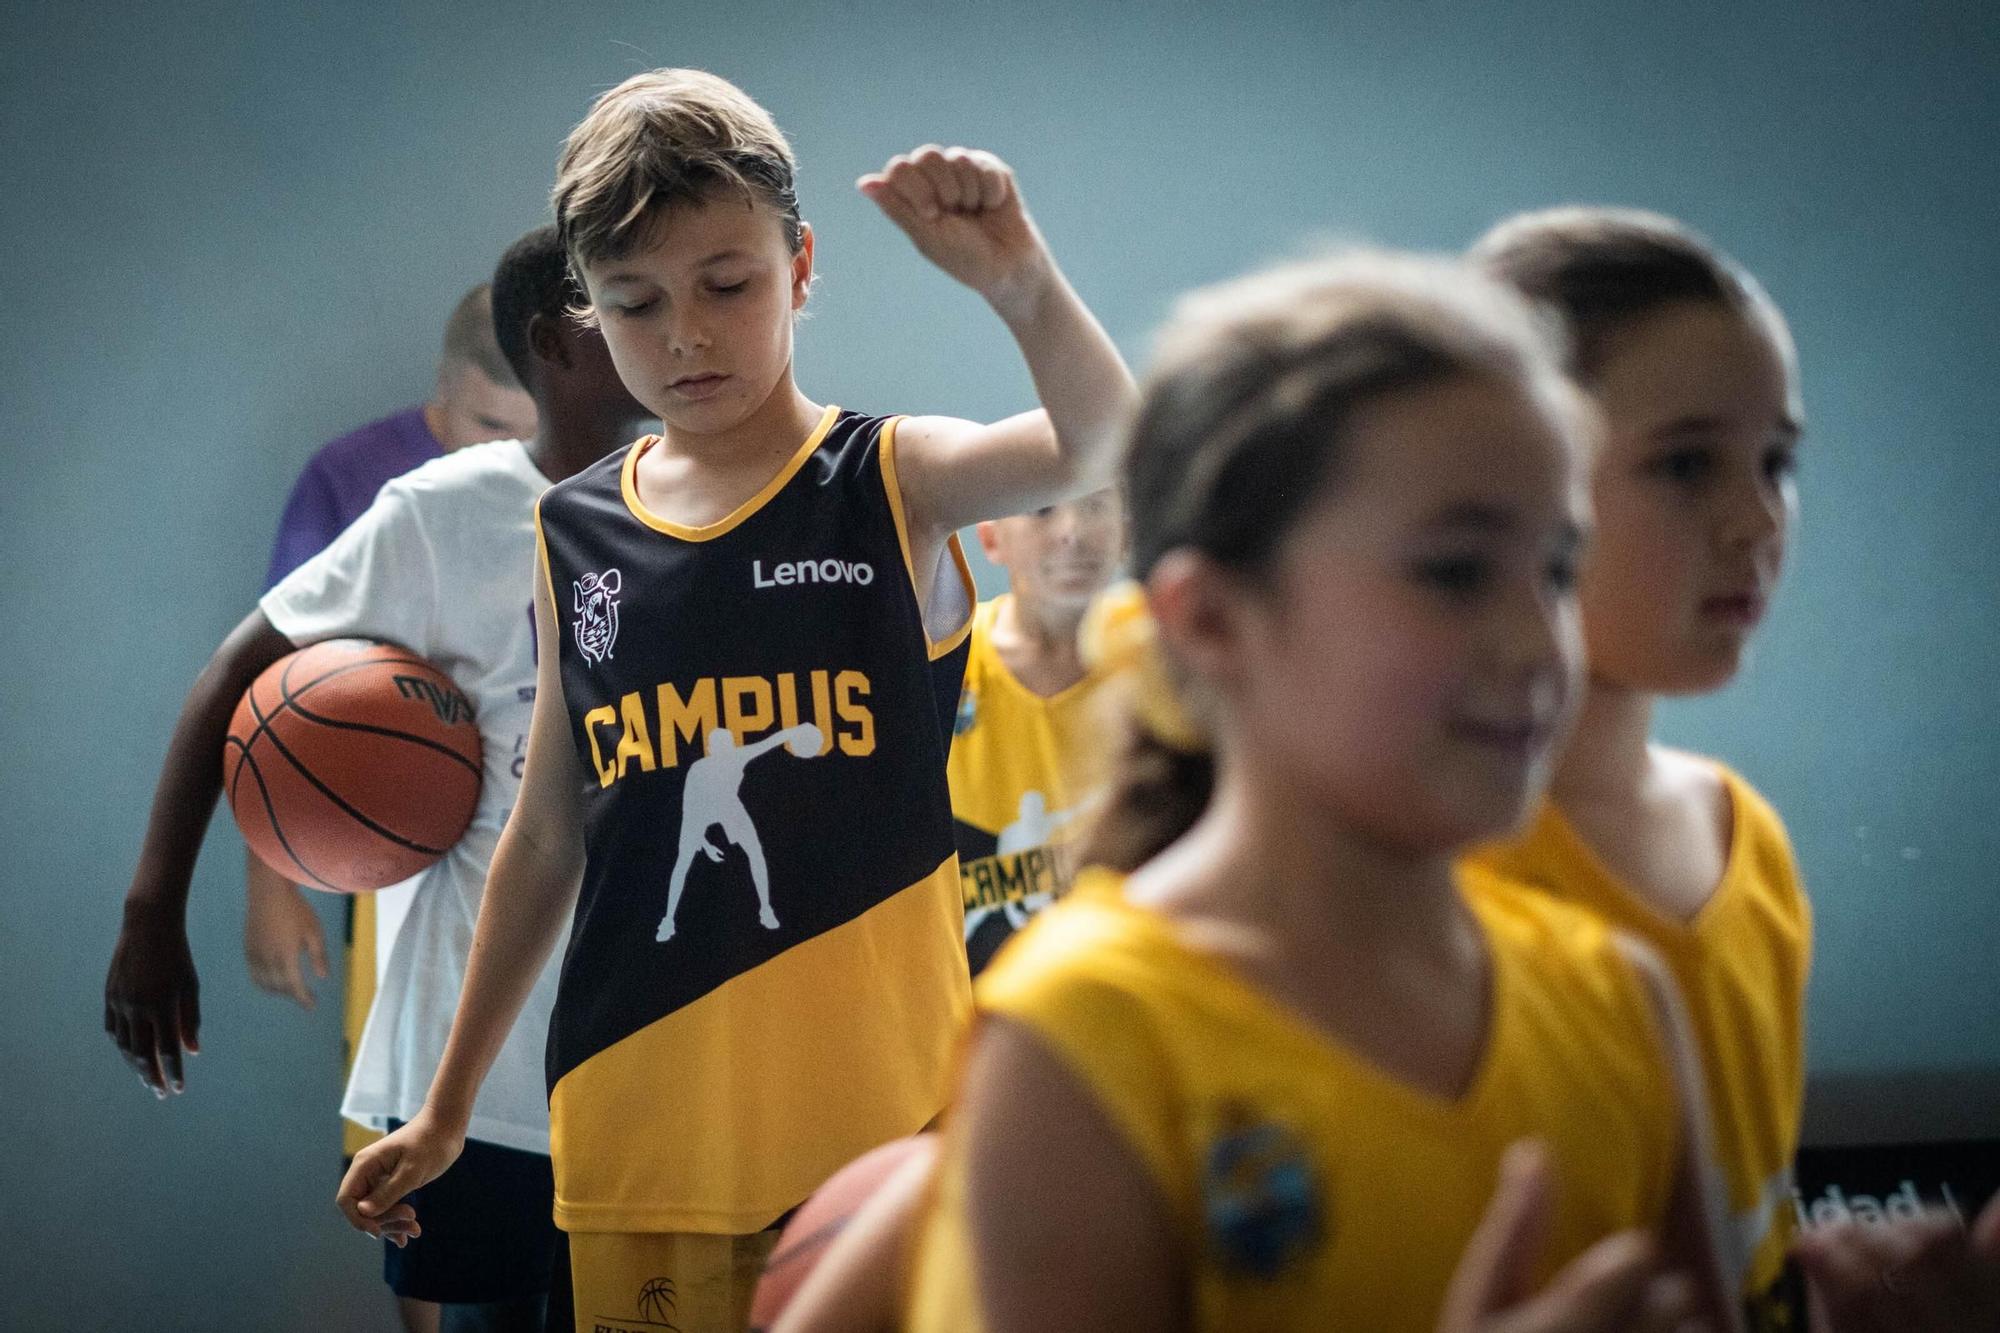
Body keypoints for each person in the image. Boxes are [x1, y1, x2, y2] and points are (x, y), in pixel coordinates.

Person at [334, 69, 1135, 1333]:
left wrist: (1018, 281)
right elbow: (545, 834)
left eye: (727, 285)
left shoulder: (887, 476)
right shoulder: (573, 528)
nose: (686, 336)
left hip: (881, 1128)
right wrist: (445, 1108)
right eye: (635, 302)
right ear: (586, 309)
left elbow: (1106, 443)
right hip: (638, 1123)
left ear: (800, 268)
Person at [897, 252, 1740, 1331]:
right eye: (1454, 570)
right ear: (1211, 620)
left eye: (1558, 570)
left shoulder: (1622, 1002)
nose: (1539, 643)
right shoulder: (1083, 1040)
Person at [104, 226, 651, 1329]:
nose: (671, 327)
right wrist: (153, 908)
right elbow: (232, 678)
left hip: (658, 1041)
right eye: (630, 307)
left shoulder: (708, 505)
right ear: (553, 344)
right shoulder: (442, 511)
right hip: (481, 1069)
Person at [1468, 206, 2000, 1331]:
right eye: (1684, 463)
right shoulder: (1430, 899)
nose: (1757, 519)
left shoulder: (1741, 838)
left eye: (1776, 462)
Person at [244, 281, 539, 1180]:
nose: (510, 450)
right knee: (407, 1131)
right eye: (489, 424)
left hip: (538, 835)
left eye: (529, 431)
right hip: (394, 846)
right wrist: (271, 884)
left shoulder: (571, 477)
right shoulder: (356, 478)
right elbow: (279, 696)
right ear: (443, 392)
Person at [951, 491, 1127, 974]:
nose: (1072, 531)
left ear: (1126, 531)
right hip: (973, 998)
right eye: (1042, 509)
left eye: (1095, 505)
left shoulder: (1165, 670)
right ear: (991, 540)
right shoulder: (941, 665)